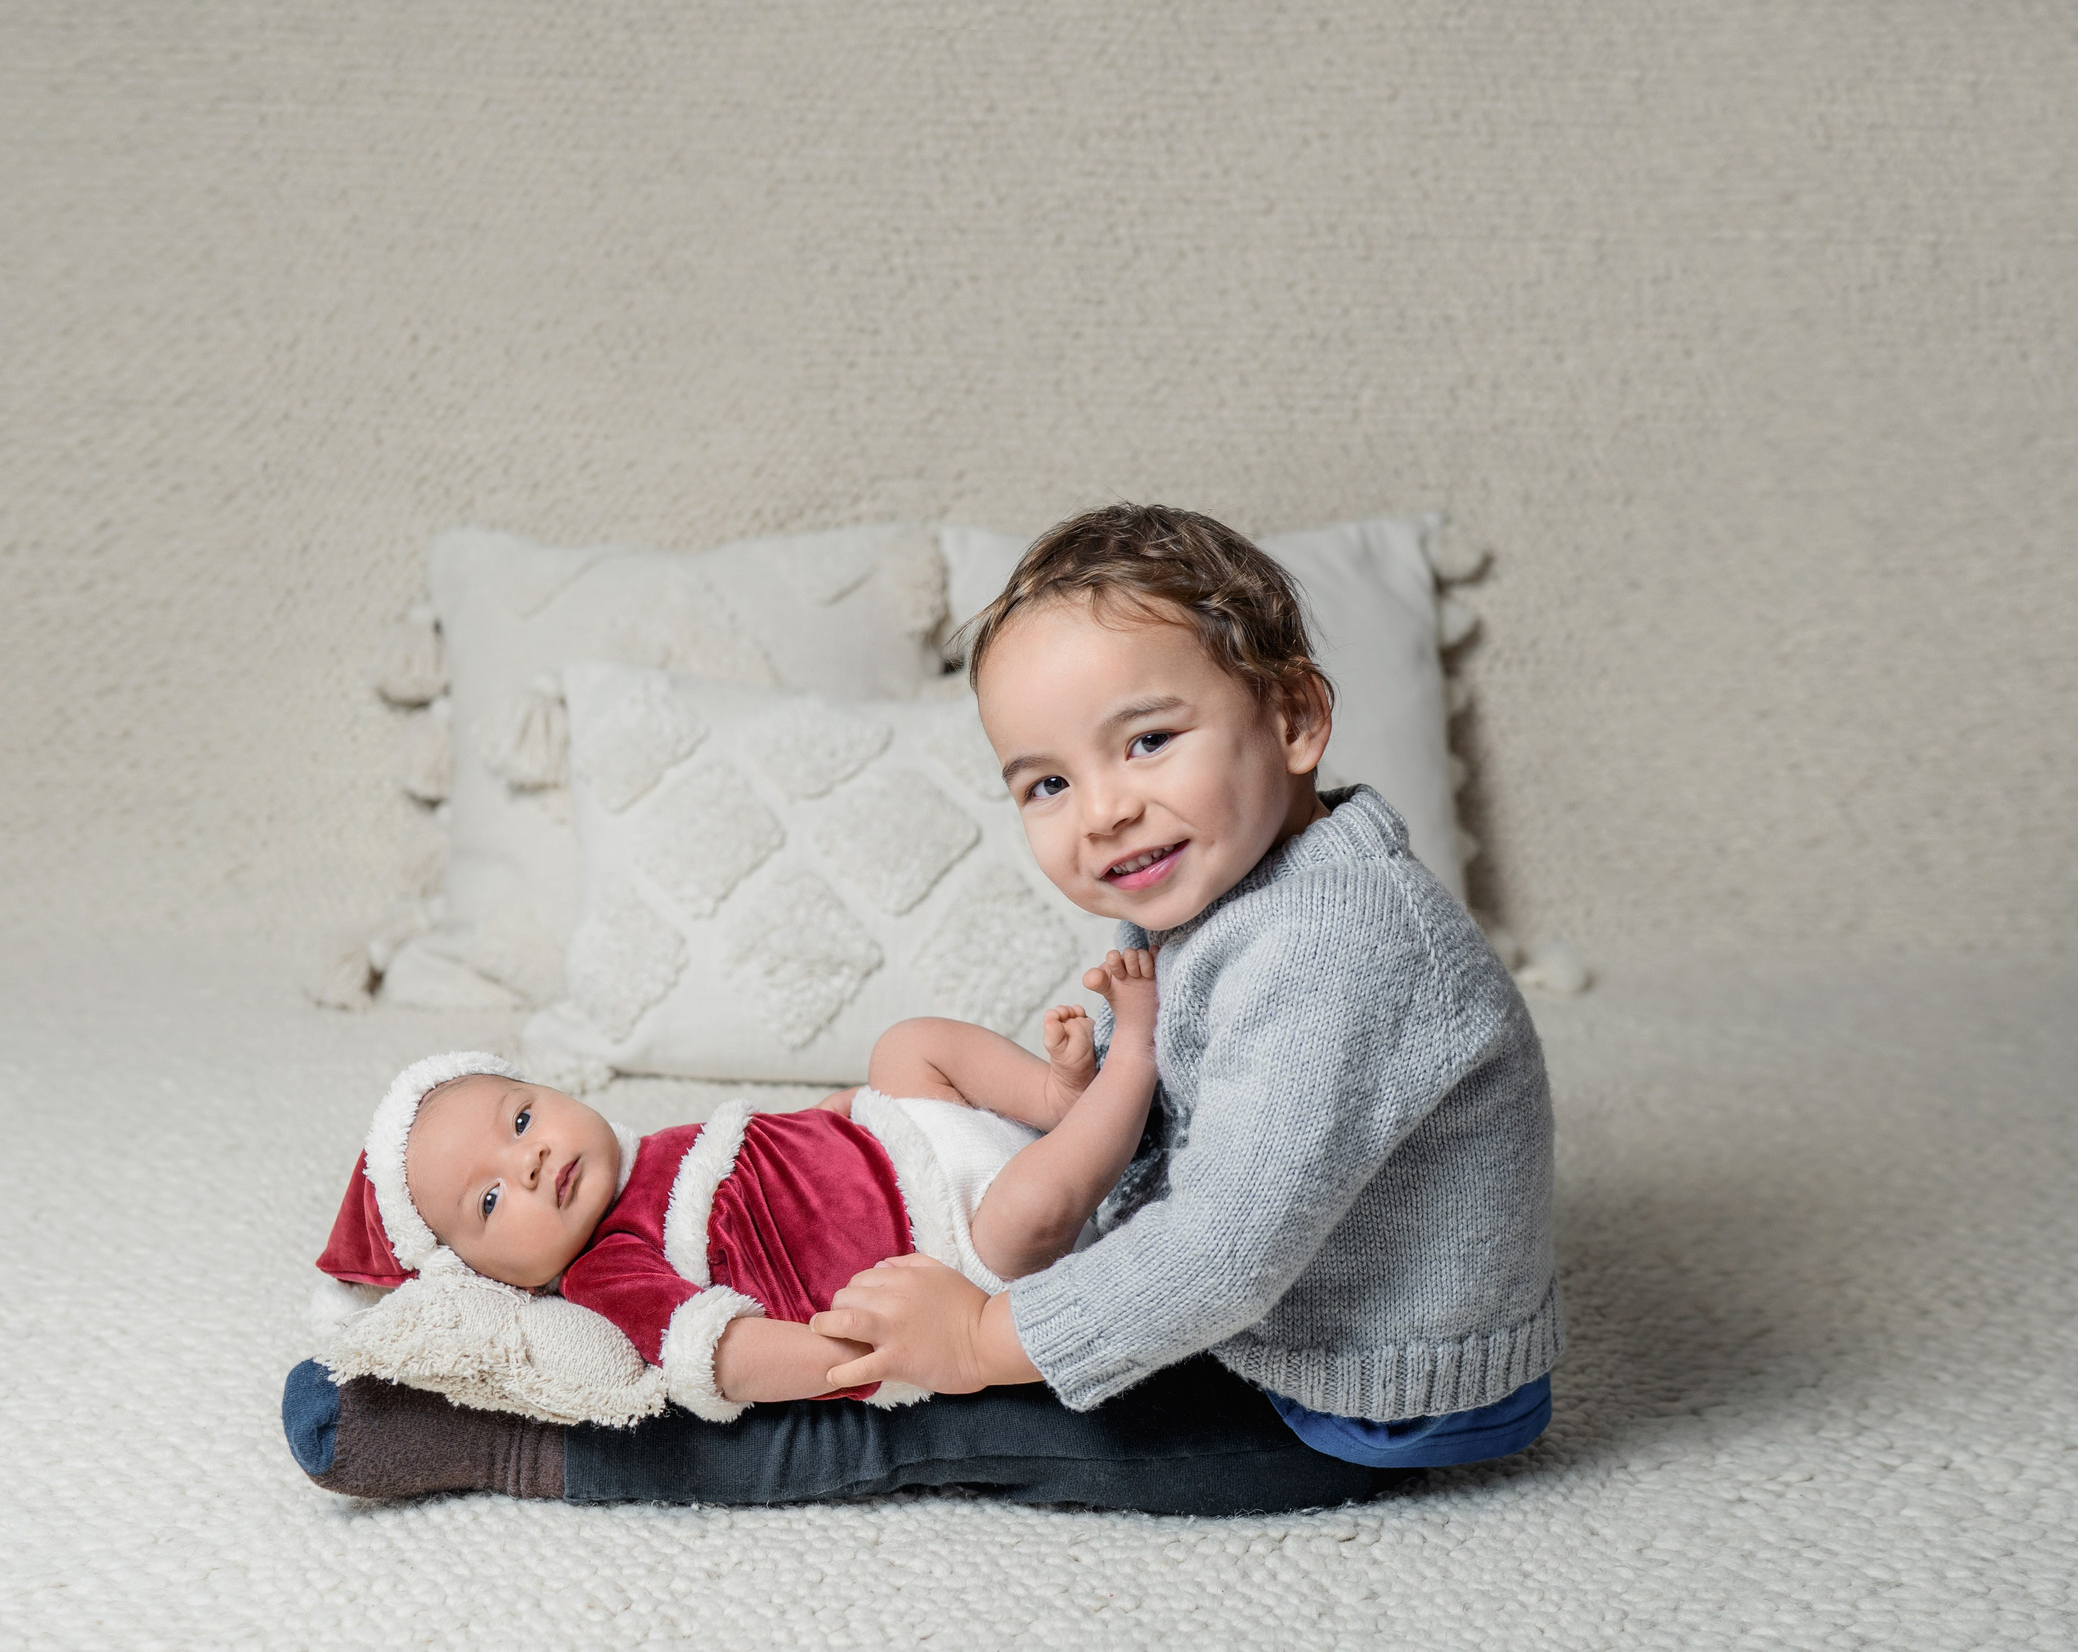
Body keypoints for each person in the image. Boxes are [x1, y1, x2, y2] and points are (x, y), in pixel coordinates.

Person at [288, 502, 1558, 1510]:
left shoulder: (1338, 949)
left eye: (1147, 741)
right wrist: (1106, 1067)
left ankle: (529, 1451)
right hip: (1254, 1301)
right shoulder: (1225, 878)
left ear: (1290, 716)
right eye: (1047, 781)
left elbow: (1224, 1249)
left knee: (905, 1413)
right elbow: (1214, 1094)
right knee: (913, 1311)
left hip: (1346, 1398)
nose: (1103, 809)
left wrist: (980, 1339)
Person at [310, 947, 1163, 1417]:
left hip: (898, 1136)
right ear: (490, 1277)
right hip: (950, 1248)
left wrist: (843, 1111)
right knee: (1031, 1209)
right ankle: (1131, 1065)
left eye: (522, 1118)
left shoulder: (650, 1152)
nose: (527, 1160)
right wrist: (863, 1358)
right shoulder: (608, 1270)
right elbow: (723, 1353)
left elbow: (779, 1145)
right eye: (490, 1201)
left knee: (906, 1044)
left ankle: (1054, 1097)